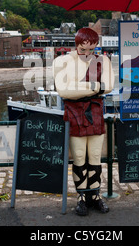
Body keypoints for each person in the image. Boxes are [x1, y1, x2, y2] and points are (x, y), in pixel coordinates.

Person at [53, 28, 115, 216]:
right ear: (76, 45)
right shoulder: (62, 61)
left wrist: (78, 88)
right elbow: (63, 91)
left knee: (95, 156)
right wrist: (94, 88)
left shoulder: (103, 60)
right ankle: (81, 196)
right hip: (74, 112)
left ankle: (94, 195)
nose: (88, 54)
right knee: (79, 157)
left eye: (92, 50)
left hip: (94, 112)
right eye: (83, 50)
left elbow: (108, 87)